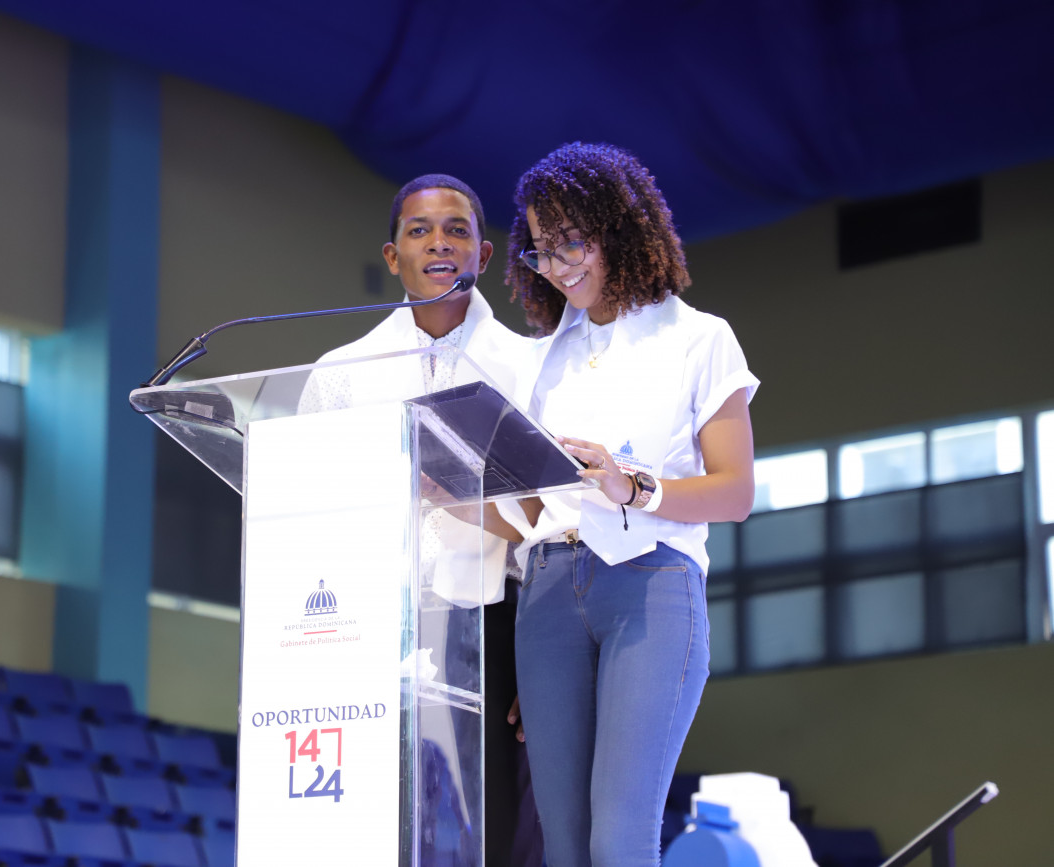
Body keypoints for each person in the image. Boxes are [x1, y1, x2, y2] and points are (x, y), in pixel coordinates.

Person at [496, 142, 758, 867]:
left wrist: (634, 487)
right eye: (541, 250)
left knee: (619, 842)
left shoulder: (699, 338)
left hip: (650, 585)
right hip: (546, 598)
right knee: (564, 848)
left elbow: (736, 491)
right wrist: (447, 486)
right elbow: (527, 510)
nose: (556, 265)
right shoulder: (539, 356)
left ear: (616, 226)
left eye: (570, 242)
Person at [299, 174, 544, 866]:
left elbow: (557, 524)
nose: (439, 243)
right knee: (380, 836)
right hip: (373, 627)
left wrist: (542, 656)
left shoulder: (532, 369)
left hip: (495, 628)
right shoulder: (341, 375)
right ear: (392, 255)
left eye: (457, 230)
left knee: (492, 834)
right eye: (420, 231)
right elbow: (313, 521)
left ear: (484, 256)